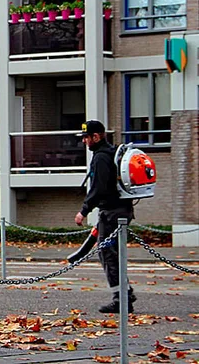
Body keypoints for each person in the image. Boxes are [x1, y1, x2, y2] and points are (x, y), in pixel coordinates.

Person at [74, 120, 136, 314]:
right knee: (112, 254)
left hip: (112, 213)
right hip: (120, 211)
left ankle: (121, 299)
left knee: (108, 255)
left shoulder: (101, 157)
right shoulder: (110, 153)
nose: (84, 141)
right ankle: (125, 294)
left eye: (87, 137)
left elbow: (99, 189)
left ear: (97, 136)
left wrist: (83, 210)